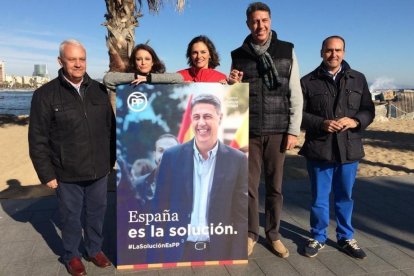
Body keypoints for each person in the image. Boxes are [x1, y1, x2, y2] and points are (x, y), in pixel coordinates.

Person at [29, 39, 115, 276]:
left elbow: (110, 128)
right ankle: (72, 255)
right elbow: (37, 138)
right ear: (61, 61)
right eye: (72, 59)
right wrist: (46, 174)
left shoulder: (99, 89)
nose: (78, 64)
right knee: (70, 218)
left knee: (97, 214)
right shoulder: (44, 95)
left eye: (82, 59)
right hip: (66, 171)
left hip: (99, 169)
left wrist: (110, 161)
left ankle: (94, 249)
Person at [228, 2, 303, 258]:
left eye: (264, 20)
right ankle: (251, 234)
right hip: (248, 130)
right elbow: (235, 97)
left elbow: (296, 94)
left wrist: (293, 130)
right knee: (248, 187)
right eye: (255, 21)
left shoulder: (287, 50)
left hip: (278, 130)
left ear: (270, 21)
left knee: (275, 187)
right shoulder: (238, 54)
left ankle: (273, 234)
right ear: (248, 24)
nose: (260, 25)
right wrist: (232, 86)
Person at [300, 35, 375, 259]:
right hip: (319, 148)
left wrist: (355, 121)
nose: (334, 54)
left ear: (344, 52)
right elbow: (299, 116)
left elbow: (368, 110)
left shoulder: (358, 79)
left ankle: (345, 238)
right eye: (329, 50)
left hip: (349, 149)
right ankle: (318, 236)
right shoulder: (307, 81)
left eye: (338, 50)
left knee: (345, 197)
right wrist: (321, 123)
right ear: (321, 52)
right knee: (319, 198)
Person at [154, 94, 248, 262]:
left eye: (208, 116)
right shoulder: (171, 156)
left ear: (220, 118)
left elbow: (240, 214)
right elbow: (159, 208)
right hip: (177, 251)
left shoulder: (237, 159)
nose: (201, 122)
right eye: (197, 117)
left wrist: (237, 256)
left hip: (219, 251)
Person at [103, 43, 183, 90]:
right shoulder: (127, 79)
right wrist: (136, 77)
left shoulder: (160, 77)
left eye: (147, 59)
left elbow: (179, 78)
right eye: (138, 59)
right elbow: (107, 79)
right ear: (134, 62)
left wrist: (148, 79)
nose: (143, 62)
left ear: (153, 62)